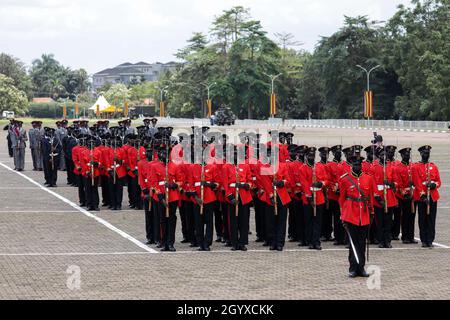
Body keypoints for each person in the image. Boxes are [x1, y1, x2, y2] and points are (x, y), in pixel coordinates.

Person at [339, 154, 374, 278]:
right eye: (355, 165)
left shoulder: (368, 178)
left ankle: (361, 268)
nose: (357, 167)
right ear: (351, 165)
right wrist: (343, 215)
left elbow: (370, 197)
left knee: (362, 243)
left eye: (359, 165)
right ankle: (353, 268)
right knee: (353, 244)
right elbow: (342, 199)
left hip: (363, 215)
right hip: (351, 215)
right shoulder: (345, 179)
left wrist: (372, 212)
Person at [412, 145, 441, 248]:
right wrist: (422, 195)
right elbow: (417, 182)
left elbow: (438, 181)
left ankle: (430, 239)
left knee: (431, 219)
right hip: (422, 197)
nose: (426, 155)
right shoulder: (416, 167)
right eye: (424, 153)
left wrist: (434, 185)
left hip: (433, 196)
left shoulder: (433, 166)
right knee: (423, 219)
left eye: (428, 153)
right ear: (421, 154)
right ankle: (424, 239)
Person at [300, 147, 327, 250]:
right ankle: (310, 240)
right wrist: (309, 197)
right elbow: (304, 184)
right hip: (309, 198)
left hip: (319, 197)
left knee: (318, 221)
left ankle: (316, 241)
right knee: (309, 221)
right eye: (310, 156)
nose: (311, 157)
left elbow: (326, 179)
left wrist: (321, 183)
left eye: (313, 155)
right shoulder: (303, 168)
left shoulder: (320, 167)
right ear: (306, 156)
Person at [396, 147, 418, 244]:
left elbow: (417, 180)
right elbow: (399, 183)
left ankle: (411, 236)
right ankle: (405, 236)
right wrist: (404, 193)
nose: (407, 156)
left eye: (408, 155)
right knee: (405, 217)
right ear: (401, 155)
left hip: (413, 195)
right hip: (404, 196)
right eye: (405, 155)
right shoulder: (399, 167)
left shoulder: (413, 166)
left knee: (412, 216)